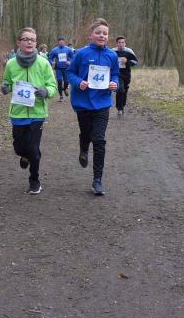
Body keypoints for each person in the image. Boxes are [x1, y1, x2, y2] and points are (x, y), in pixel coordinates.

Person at [0, 27, 57, 194]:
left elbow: (52, 86)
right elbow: (7, 82)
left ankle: (34, 180)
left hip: (37, 113)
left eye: (33, 39)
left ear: (36, 43)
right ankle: (24, 155)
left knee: (33, 149)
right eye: (26, 39)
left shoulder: (43, 63)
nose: (30, 42)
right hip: (17, 113)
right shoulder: (11, 64)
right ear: (19, 42)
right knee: (19, 148)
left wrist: (46, 91)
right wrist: (5, 88)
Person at [66, 18, 119, 195]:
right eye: (98, 33)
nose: (102, 36)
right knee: (86, 134)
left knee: (99, 140)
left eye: (105, 33)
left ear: (108, 37)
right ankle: (83, 147)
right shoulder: (81, 53)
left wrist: (114, 84)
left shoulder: (112, 55)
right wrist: (78, 82)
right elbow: (70, 73)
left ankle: (97, 180)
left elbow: (115, 75)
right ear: (91, 35)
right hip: (83, 103)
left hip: (102, 103)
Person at [112, 36, 139, 116]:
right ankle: (119, 108)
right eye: (119, 42)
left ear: (125, 43)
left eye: (122, 42)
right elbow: (107, 61)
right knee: (120, 89)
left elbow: (135, 62)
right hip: (117, 74)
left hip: (126, 74)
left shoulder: (129, 51)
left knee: (124, 91)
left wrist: (127, 61)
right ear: (117, 44)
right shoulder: (112, 51)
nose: (121, 44)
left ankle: (122, 106)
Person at [49, 37, 75, 101]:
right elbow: (50, 58)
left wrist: (70, 62)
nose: (61, 42)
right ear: (58, 42)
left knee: (66, 81)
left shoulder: (68, 49)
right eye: (60, 41)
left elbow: (73, 57)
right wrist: (52, 62)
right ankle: (61, 96)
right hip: (58, 68)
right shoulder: (54, 50)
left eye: (62, 41)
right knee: (59, 81)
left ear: (64, 42)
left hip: (66, 68)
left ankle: (65, 89)